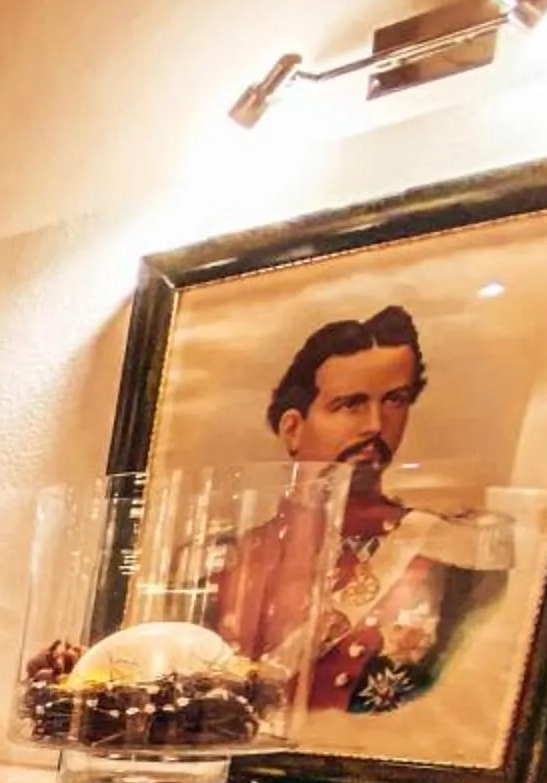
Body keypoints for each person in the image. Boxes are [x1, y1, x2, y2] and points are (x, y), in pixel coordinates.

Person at [210, 304, 512, 713]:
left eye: (394, 401)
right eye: (350, 404)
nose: (374, 424)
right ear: (293, 429)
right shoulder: (223, 559)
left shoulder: (453, 556)